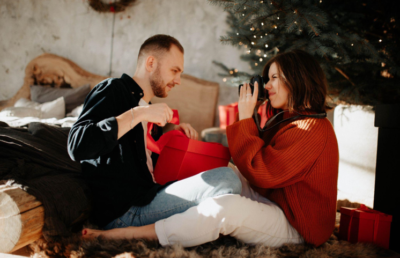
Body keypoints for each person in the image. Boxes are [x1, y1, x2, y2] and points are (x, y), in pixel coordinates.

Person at [82, 49, 339, 248]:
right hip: (275, 198)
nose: (268, 85)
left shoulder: (313, 129)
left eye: (273, 79)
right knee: (223, 170)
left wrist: (246, 117)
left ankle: (130, 233)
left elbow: (261, 171)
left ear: (296, 80)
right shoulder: (288, 118)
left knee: (225, 209)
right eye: (267, 79)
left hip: (296, 224)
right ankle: (193, 224)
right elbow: (253, 162)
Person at [68, 34, 242, 232]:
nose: (178, 81)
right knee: (228, 179)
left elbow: (149, 168)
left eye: (180, 73)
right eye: (174, 71)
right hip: (125, 210)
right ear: (151, 63)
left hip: (150, 196)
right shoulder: (112, 90)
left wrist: (173, 140)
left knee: (232, 173)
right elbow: (77, 146)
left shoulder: (150, 111)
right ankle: (125, 235)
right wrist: (139, 114)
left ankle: (173, 231)